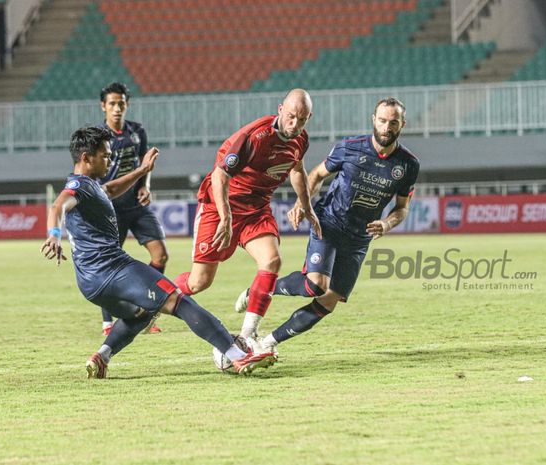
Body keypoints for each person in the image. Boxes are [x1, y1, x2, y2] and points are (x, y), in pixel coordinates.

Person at [40, 126, 277, 378]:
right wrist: (54, 235)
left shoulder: (92, 187)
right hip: (113, 269)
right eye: (106, 155)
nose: (110, 160)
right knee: (178, 300)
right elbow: (58, 206)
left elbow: (108, 191)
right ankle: (238, 356)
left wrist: (142, 171)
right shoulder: (79, 185)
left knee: (142, 313)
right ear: (86, 157)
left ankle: (102, 357)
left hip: (90, 282)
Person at [239, 98, 420, 355]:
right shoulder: (350, 147)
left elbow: (402, 208)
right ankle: (258, 289)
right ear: (373, 120)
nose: (386, 127)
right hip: (329, 223)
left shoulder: (408, 165)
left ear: (402, 124)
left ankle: (268, 342)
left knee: (328, 301)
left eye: (393, 122)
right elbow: (316, 175)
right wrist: (304, 204)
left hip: (359, 239)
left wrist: (387, 223)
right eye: (382, 120)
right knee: (315, 284)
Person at [172, 89, 322, 339]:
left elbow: (297, 170)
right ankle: (153, 299)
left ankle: (247, 335)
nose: (295, 125)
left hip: (257, 210)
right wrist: (226, 217)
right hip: (221, 207)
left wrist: (307, 207)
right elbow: (220, 176)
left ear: (310, 117)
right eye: (291, 117)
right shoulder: (255, 137)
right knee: (199, 282)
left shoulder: (300, 139)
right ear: (280, 109)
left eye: (302, 119)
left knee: (272, 261)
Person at [97, 82, 167, 335]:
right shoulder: (98, 136)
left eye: (121, 104)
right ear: (103, 106)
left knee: (160, 256)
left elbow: (145, 164)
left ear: (127, 105)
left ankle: (146, 311)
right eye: (112, 104)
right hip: (110, 208)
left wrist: (145, 186)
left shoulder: (137, 131)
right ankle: (108, 323)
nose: (117, 109)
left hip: (136, 205)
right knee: (108, 264)